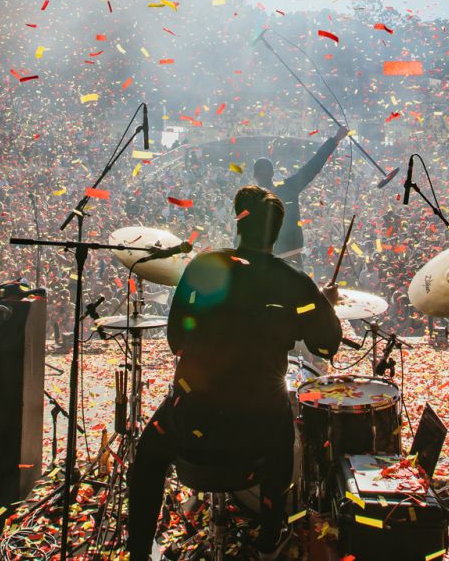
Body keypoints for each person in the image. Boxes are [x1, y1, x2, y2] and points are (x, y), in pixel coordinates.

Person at [126, 186, 343, 561]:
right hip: (258, 428)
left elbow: (176, 338)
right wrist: (321, 304)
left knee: (146, 458)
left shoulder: (204, 267)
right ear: (277, 232)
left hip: (193, 417)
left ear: (238, 225)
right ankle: (269, 540)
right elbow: (326, 346)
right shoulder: (295, 284)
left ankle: (139, 552)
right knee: (282, 437)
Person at [251, 126, 348, 262]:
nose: (263, 177)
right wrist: (335, 140)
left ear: (255, 176)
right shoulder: (285, 188)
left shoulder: (256, 198)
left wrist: (335, 140)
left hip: (282, 256)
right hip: (277, 256)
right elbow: (311, 168)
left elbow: (311, 168)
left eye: (263, 174)